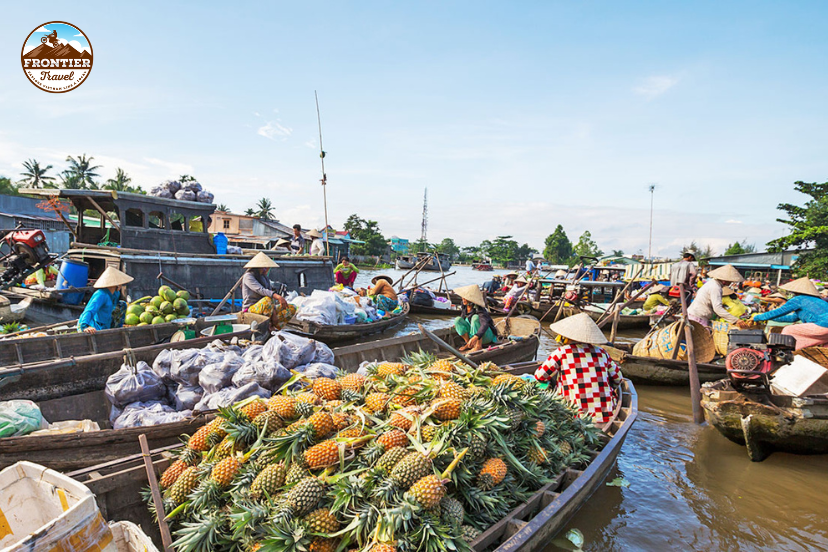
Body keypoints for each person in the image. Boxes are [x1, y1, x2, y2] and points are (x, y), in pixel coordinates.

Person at [534, 313, 622, 425]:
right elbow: (618, 379)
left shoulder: (562, 352)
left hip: (574, 418)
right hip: (604, 418)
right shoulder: (602, 353)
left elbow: (540, 376)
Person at [753, 277, 828, 349]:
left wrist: (757, 317)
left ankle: (784, 353)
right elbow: (792, 318)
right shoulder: (816, 301)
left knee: (789, 330)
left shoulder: (798, 299)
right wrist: (769, 318)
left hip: (823, 325)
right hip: (825, 328)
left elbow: (778, 312)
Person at [241, 252, 295, 330]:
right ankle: (267, 326)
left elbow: (269, 292)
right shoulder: (248, 276)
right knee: (267, 300)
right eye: (264, 267)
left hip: (267, 308)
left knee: (291, 308)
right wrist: (278, 297)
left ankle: (274, 327)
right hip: (250, 309)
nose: (266, 269)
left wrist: (274, 314)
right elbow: (260, 290)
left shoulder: (264, 277)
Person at [78, 267, 132, 334]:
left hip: (106, 323)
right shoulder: (101, 295)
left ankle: (115, 329)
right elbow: (89, 310)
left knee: (122, 304)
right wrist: (85, 327)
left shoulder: (115, 293)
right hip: (96, 326)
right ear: (116, 285)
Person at [452, 284, 497, 352]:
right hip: (473, 335)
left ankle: (478, 346)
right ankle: (469, 344)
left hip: (485, 335)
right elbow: (462, 318)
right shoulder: (464, 306)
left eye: (465, 298)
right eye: (463, 297)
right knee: (457, 320)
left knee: (475, 318)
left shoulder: (479, 309)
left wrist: (476, 336)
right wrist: (458, 325)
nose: (463, 299)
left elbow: (484, 324)